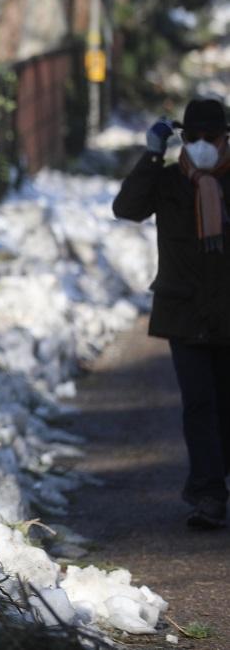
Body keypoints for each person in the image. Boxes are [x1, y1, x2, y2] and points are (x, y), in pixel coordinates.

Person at [114, 98, 230, 529]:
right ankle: (208, 494)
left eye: (211, 138)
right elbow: (127, 209)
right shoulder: (167, 182)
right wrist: (150, 155)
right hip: (185, 313)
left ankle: (214, 481)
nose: (202, 146)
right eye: (192, 137)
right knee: (199, 404)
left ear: (224, 139)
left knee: (224, 407)